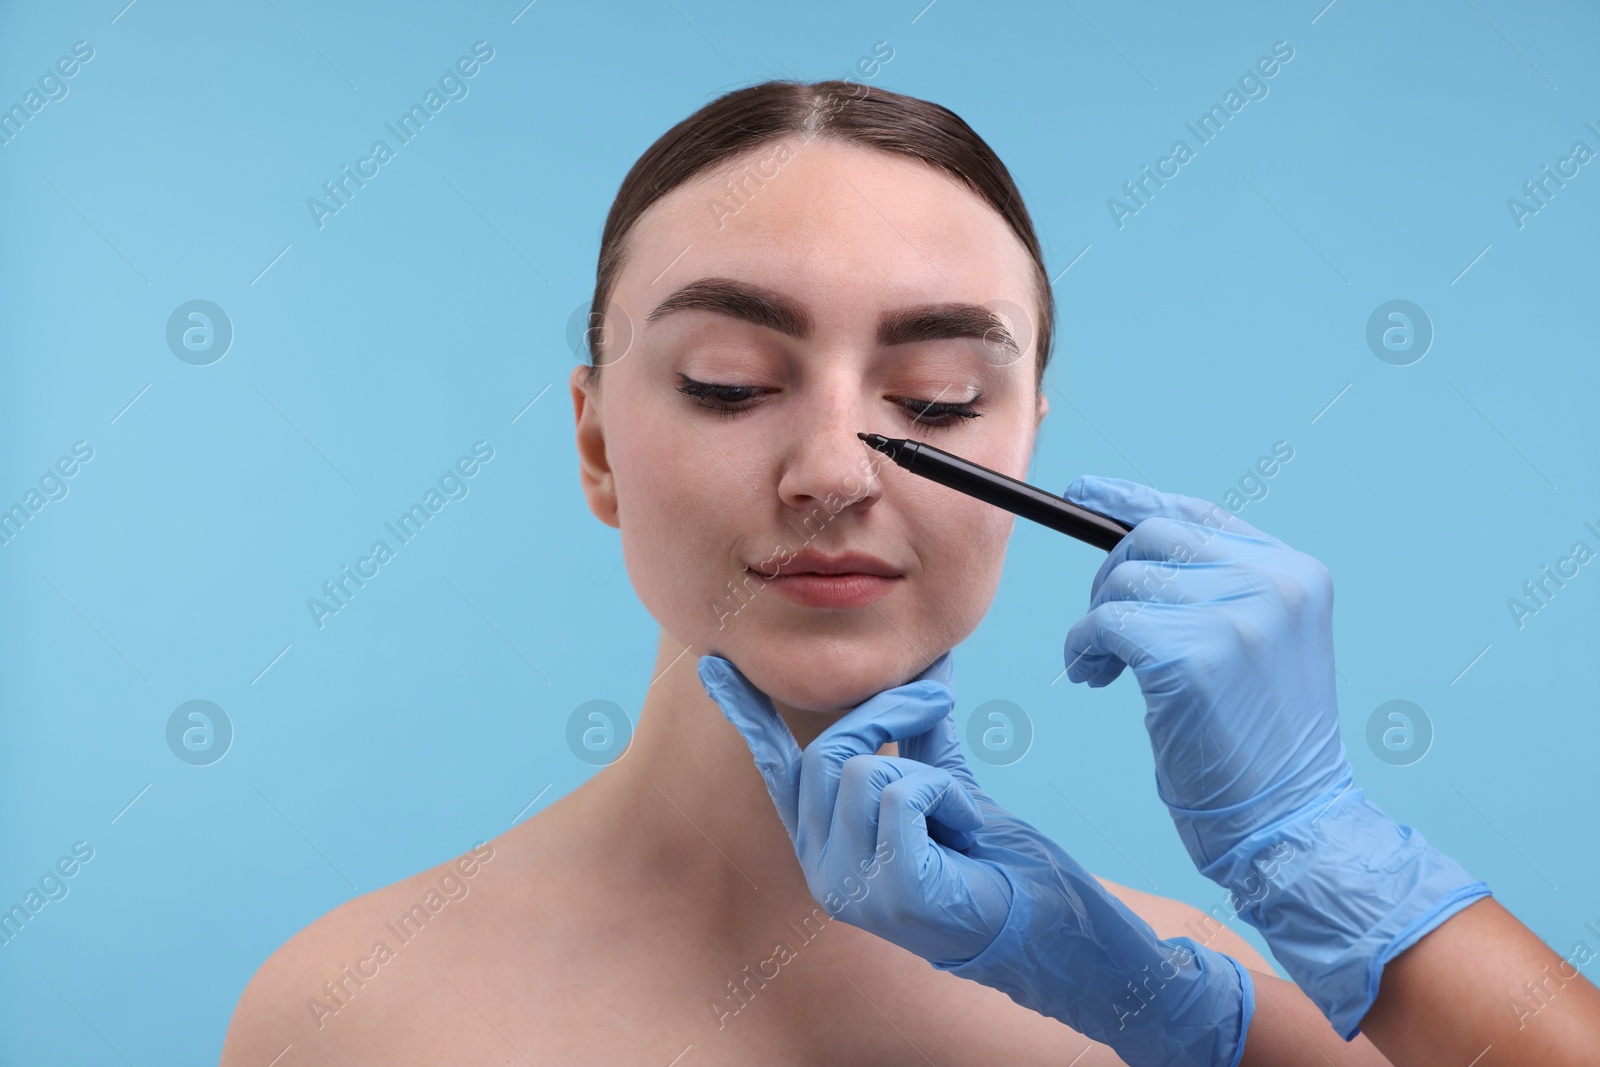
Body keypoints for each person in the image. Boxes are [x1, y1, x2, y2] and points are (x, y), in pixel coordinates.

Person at [219, 79, 1398, 1065]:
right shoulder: (348, 1009)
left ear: (1026, 436)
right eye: (727, 381)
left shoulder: (1193, 1014)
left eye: (939, 396)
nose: (834, 472)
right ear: (596, 448)